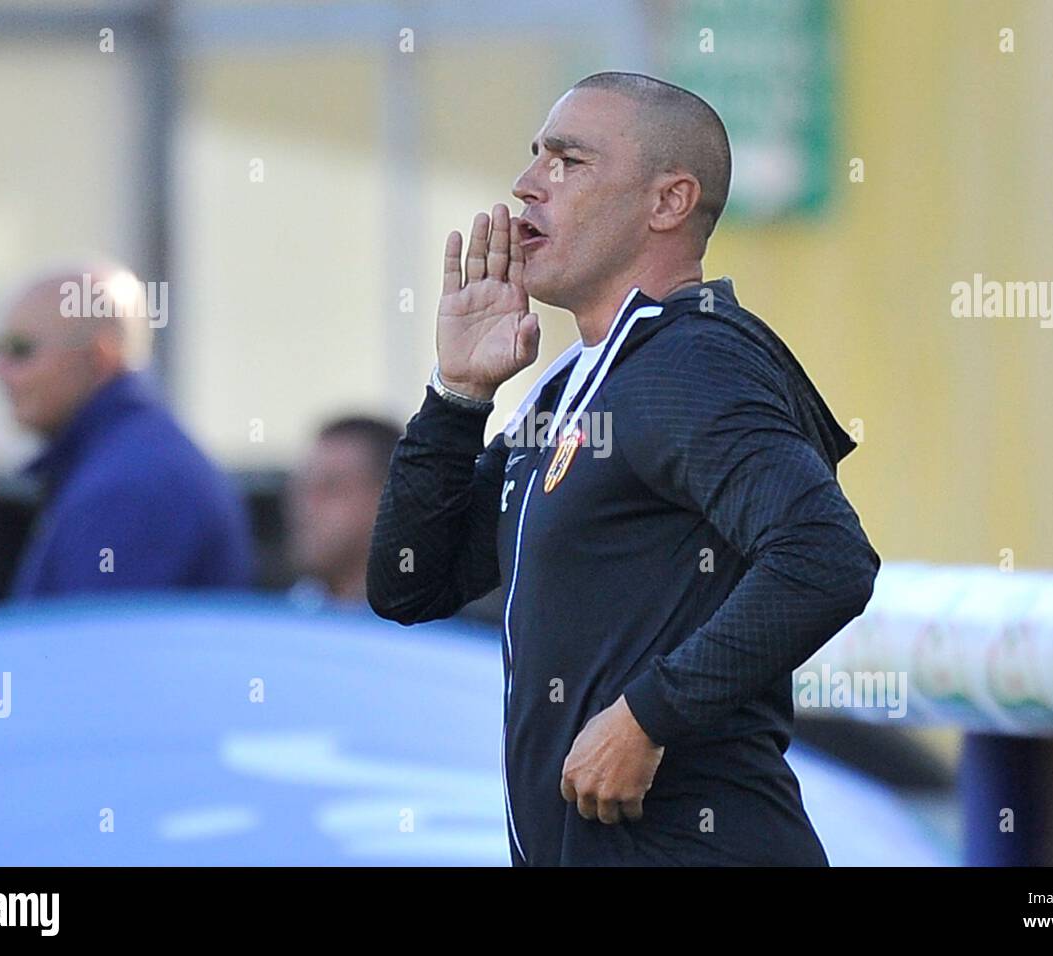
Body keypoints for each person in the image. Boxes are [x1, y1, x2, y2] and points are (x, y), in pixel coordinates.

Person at [367, 72, 879, 866]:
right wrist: (458, 395)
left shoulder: (694, 360)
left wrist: (648, 715)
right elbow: (409, 583)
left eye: (567, 161)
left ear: (668, 202)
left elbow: (826, 558)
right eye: (534, 155)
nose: (527, 183)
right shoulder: (575, 382)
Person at [0, 264, 255, 598]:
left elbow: (88, 643)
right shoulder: (127, 461)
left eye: (20, 350)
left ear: (100, 356)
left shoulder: (130, 485)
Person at [286, 416, 401, 607]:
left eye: (331, 488)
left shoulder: (439, 628)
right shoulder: (280, 620)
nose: (306, 507)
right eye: (303, 487)